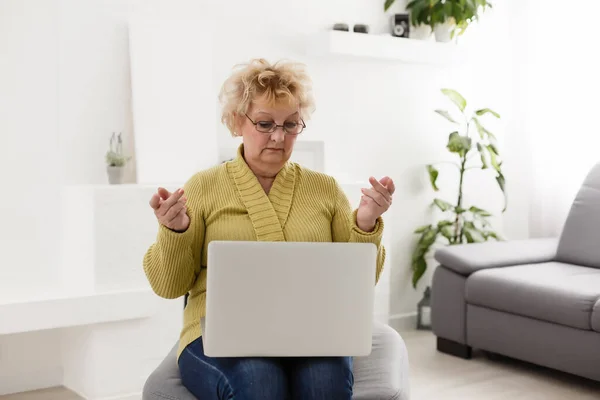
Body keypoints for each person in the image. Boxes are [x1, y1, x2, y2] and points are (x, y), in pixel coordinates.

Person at [143, 58, 395, 400]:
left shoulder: (325, 189)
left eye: (291, 125)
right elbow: (168, 286)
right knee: (258, 381)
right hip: (218, 335)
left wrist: (365, 223)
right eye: (265, 124)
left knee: (325, 384)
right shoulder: (203, 187)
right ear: (236, 122)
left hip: (312, 331)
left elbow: (360, 281)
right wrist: (174, 231)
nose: (279, 136)